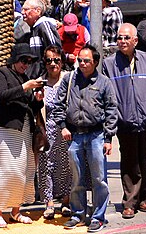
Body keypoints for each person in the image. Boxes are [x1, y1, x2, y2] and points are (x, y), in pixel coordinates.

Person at [49, 43, 116, 232]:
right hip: (75, 135)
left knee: (99, 179)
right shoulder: (69, 79)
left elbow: (111, 110)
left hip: (96, 135)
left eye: (86, 60)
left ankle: (98, 217)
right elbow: (58, 104)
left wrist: (108, 138)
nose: (82, 63)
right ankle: (77, 214)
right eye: (80, 60)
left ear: (95, 62)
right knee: (77, 178)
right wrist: (63, 126)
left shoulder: (104, 82)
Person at [105, 24, 146, 219]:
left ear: (135, 41)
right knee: (129, 161)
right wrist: (117, 114)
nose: (122, 41)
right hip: (125, 121)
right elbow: (107, 93)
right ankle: (129, 202)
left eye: (126, 38)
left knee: (144, 159)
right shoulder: (109, 64)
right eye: (119, 38)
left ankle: (144, 199)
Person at [0, 45, 43, 228]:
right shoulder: (1, 73)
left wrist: (37, 100)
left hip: (24, 129)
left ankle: (15, 210)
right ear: (14, 59)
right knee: (9, 169)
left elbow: (30, 106)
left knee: (25, 170)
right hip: (6, 128)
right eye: (23, 60)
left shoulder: (25, 78)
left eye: (29, 62)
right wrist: (24, 87)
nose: (25, 65)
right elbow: (0, 95)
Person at [39, 44, 73, 220]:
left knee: (66, 167)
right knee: (46, 166)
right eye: (49, 60)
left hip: (65, 130)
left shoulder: (69, 79)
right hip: (46, 131)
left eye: (56, 60)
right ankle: (49, 203)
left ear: (62, 61)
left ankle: (66, 201)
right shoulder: (40, 82)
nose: (53, 64)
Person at [15, 0, 62, 70]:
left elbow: (55, 50)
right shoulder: (32, 30)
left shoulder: (44, 25)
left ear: (38, 11)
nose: (22, 12)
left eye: (26, 9)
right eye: (22, 9)